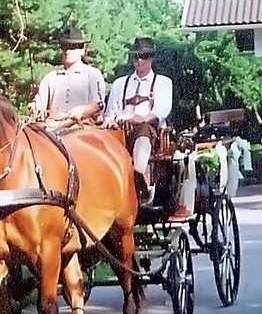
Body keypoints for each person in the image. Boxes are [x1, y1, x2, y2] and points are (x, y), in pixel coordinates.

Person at [104, 37, 173, 204]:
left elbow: (162, 110)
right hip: (120, 129)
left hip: (148, 129)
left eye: (143, 56)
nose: (139, 60)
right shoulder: (120, 84)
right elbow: (110, 112)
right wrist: (111, 121)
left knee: (143, 129)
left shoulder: (162, 82)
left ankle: (138, 175)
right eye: (136, 56)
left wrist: (142, 118)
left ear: (151, 58)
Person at [28, 25, 106, 125]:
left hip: (82, 127)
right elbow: (39, 103)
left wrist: (82, 110)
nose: (68, 51)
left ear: (82, 50)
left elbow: (98, 104)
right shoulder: (50, 78)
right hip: (52, 128)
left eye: (72, 47)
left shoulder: (93, 75)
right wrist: (34, 108)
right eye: (64, 47)